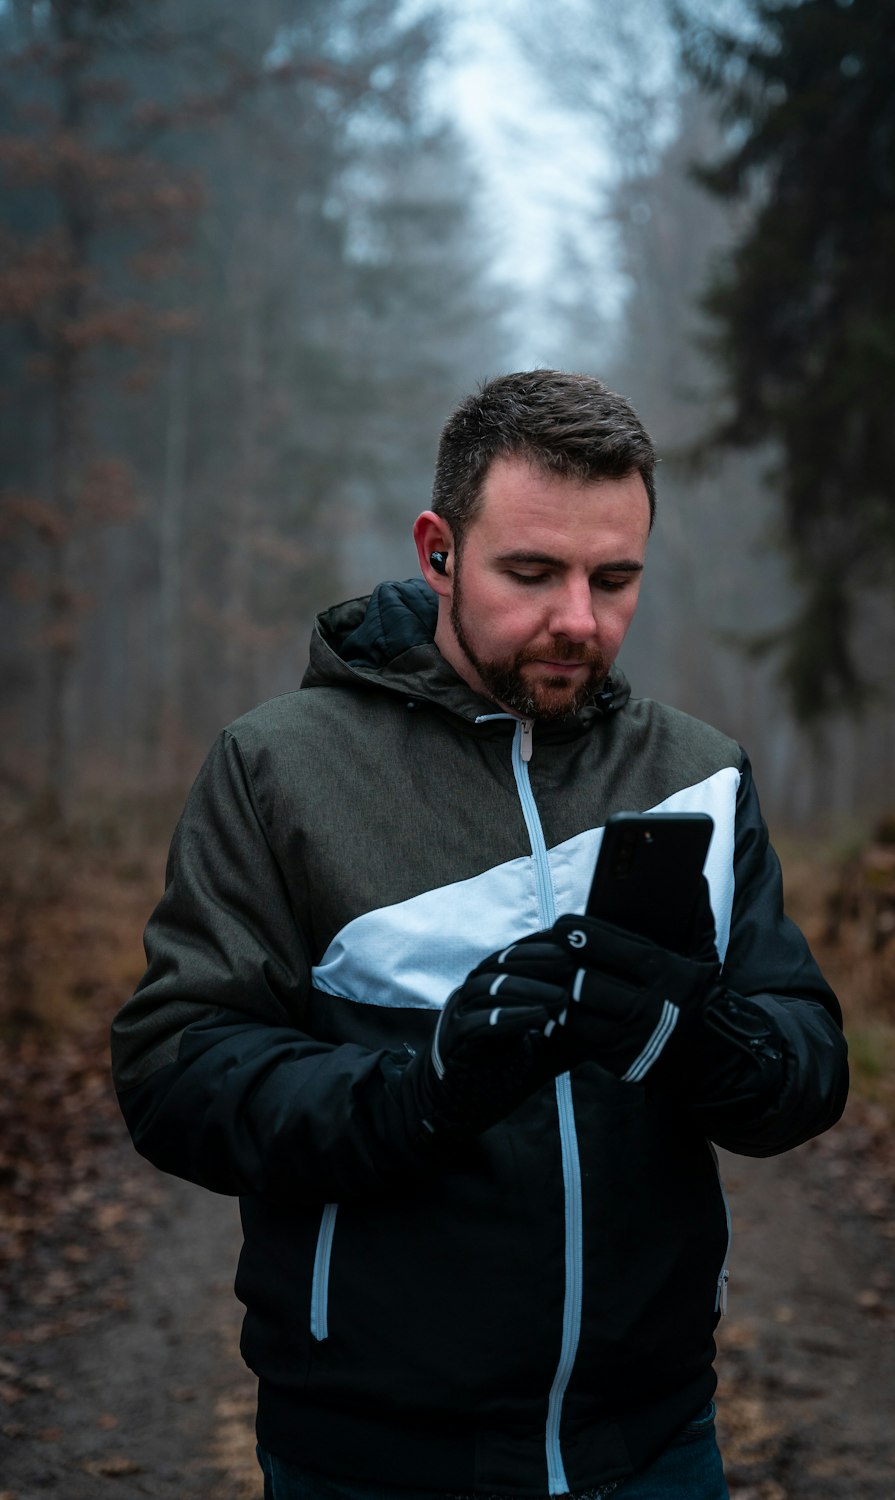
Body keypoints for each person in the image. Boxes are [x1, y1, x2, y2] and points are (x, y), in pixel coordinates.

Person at [111, 369, 849, 1500]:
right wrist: (418, 1095)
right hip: (370, 1453)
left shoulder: (695, 773)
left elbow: (806, 1067)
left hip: (654, 1438)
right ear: (437, 550)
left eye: (614, 580)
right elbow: (175, 1073)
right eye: (531, 573)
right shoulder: (281, 769)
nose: (577, 620)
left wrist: (684, 1036)